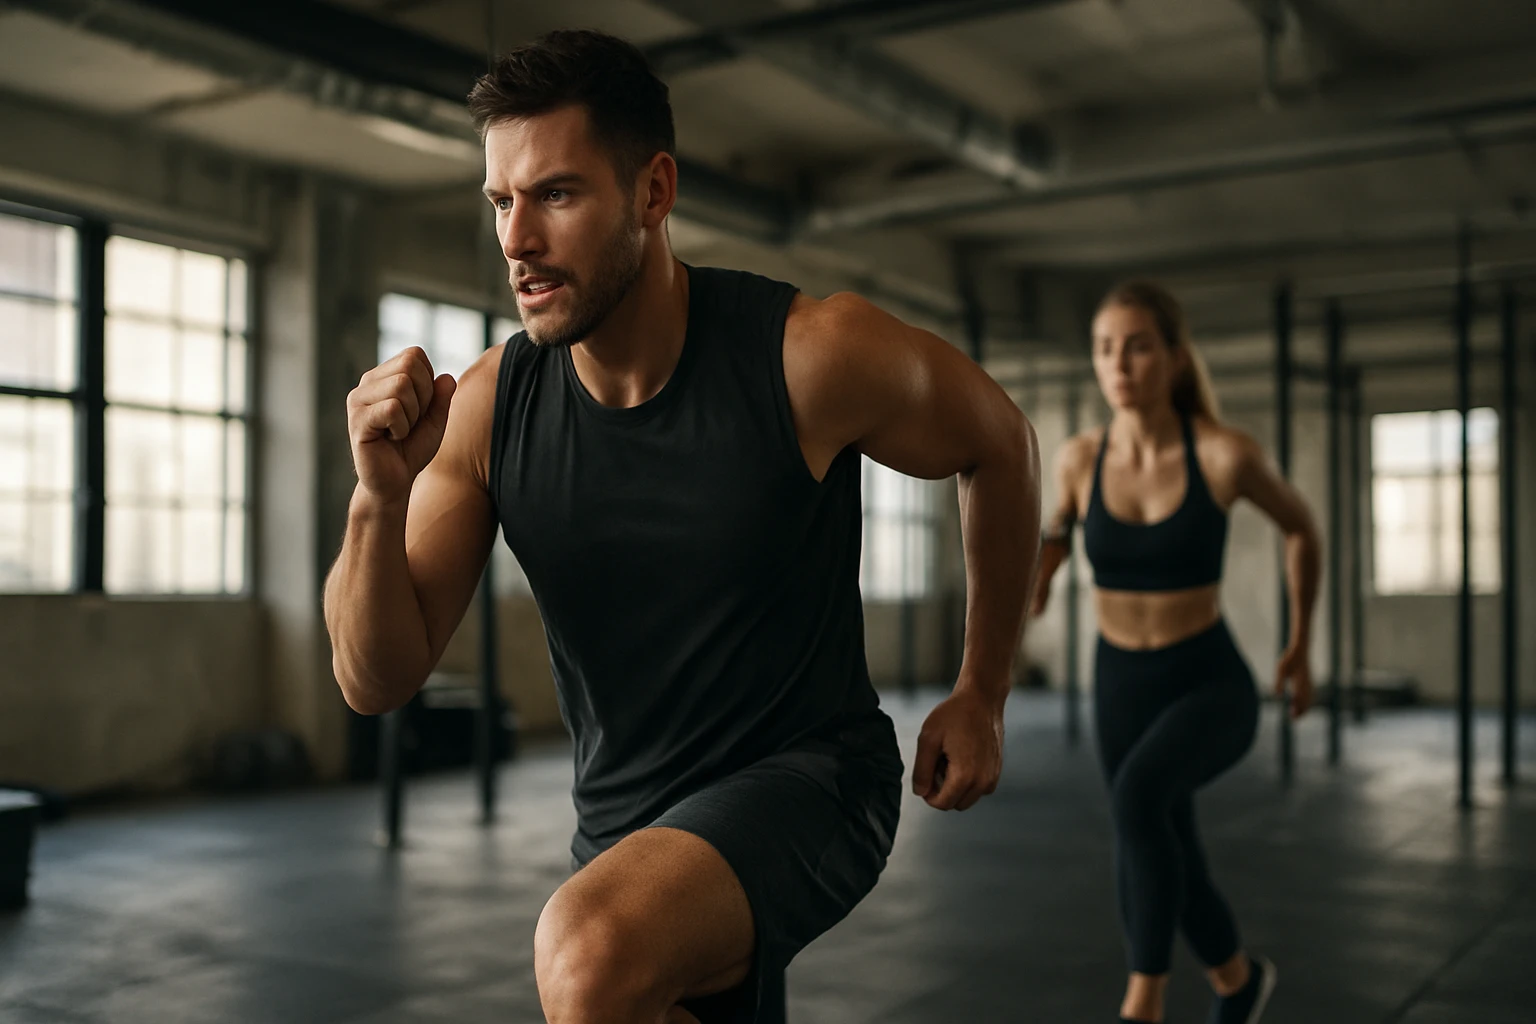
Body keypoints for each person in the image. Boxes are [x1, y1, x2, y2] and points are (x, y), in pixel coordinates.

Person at [322, 29, 1042, 1024]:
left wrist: (983, 690)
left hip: (813, 783)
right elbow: (374, 678)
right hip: (626, 831)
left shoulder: (808, 356)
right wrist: (375, 497)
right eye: (501, 200)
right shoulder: (494, 407)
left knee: (587, 954)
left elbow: (999, 441)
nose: (516, 239)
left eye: (557, 194)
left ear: (653, 193)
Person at [1031, 281, 1319, 1024]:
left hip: (1208, 682)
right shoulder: (1079, 459)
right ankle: (1236, 981)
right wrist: (1041, 571)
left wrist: (1301, 644)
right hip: (1119, 679)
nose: (1118, 363)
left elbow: (1301, 529)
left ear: (1175, 356)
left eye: (1137, 345)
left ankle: (1143, 1003)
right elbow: (1059, 528)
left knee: (1137, 803)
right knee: (1162, 835)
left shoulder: (1223, 454)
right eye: (1104, 348)